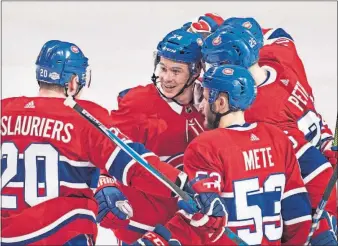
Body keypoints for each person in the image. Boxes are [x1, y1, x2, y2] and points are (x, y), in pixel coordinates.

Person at [0, 40, 188, 245]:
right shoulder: (84, 117)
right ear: (72, 82)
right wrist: (182, 185)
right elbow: (134, 163)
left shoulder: (4, 110)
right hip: (61, 236)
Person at [202, 18, 337, 245]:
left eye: (214, 66)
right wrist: (216, 24)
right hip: (320, 143)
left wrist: (329, 209)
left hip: (307, 183)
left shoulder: (256, 115)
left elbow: (313, 169)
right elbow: (276, 31)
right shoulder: (281, 56)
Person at [162, 64, 313, 245]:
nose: (201, 105)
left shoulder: (206, 145)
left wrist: (155, 240)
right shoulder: (276, 138)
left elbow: (202, 220)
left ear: (221, 103)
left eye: (205, 97)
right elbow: (298, 215)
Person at [94, 28, 208, 244]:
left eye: (176, 71)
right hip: (141, 225)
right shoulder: (138, 104)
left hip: (188, 226)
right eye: (163, 68)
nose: (166, 78)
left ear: (195, 71)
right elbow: (107, 150)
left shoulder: (210, 102)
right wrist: (105, 183)